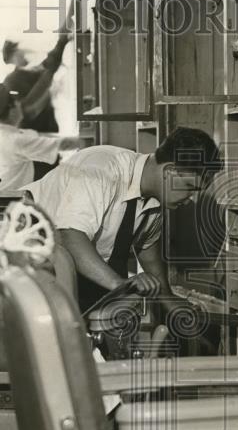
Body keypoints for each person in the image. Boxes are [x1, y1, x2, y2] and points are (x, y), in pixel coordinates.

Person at [24, 126, 221, 314]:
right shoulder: (102, 169)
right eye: (190, 187)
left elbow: (147, 248)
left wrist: (167, 299)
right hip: (23, 256)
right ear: (169, 171)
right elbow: (70, 236)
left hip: (66, 269)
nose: (192, 199)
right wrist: (119, 285)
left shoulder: (156, 197)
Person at [0, 82, 83, 191]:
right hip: (9, 201)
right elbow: (63, 145)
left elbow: (39, 138)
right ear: (11, 110)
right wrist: (92, 140)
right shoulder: (15, 140)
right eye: (16, 101)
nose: (20, 104)